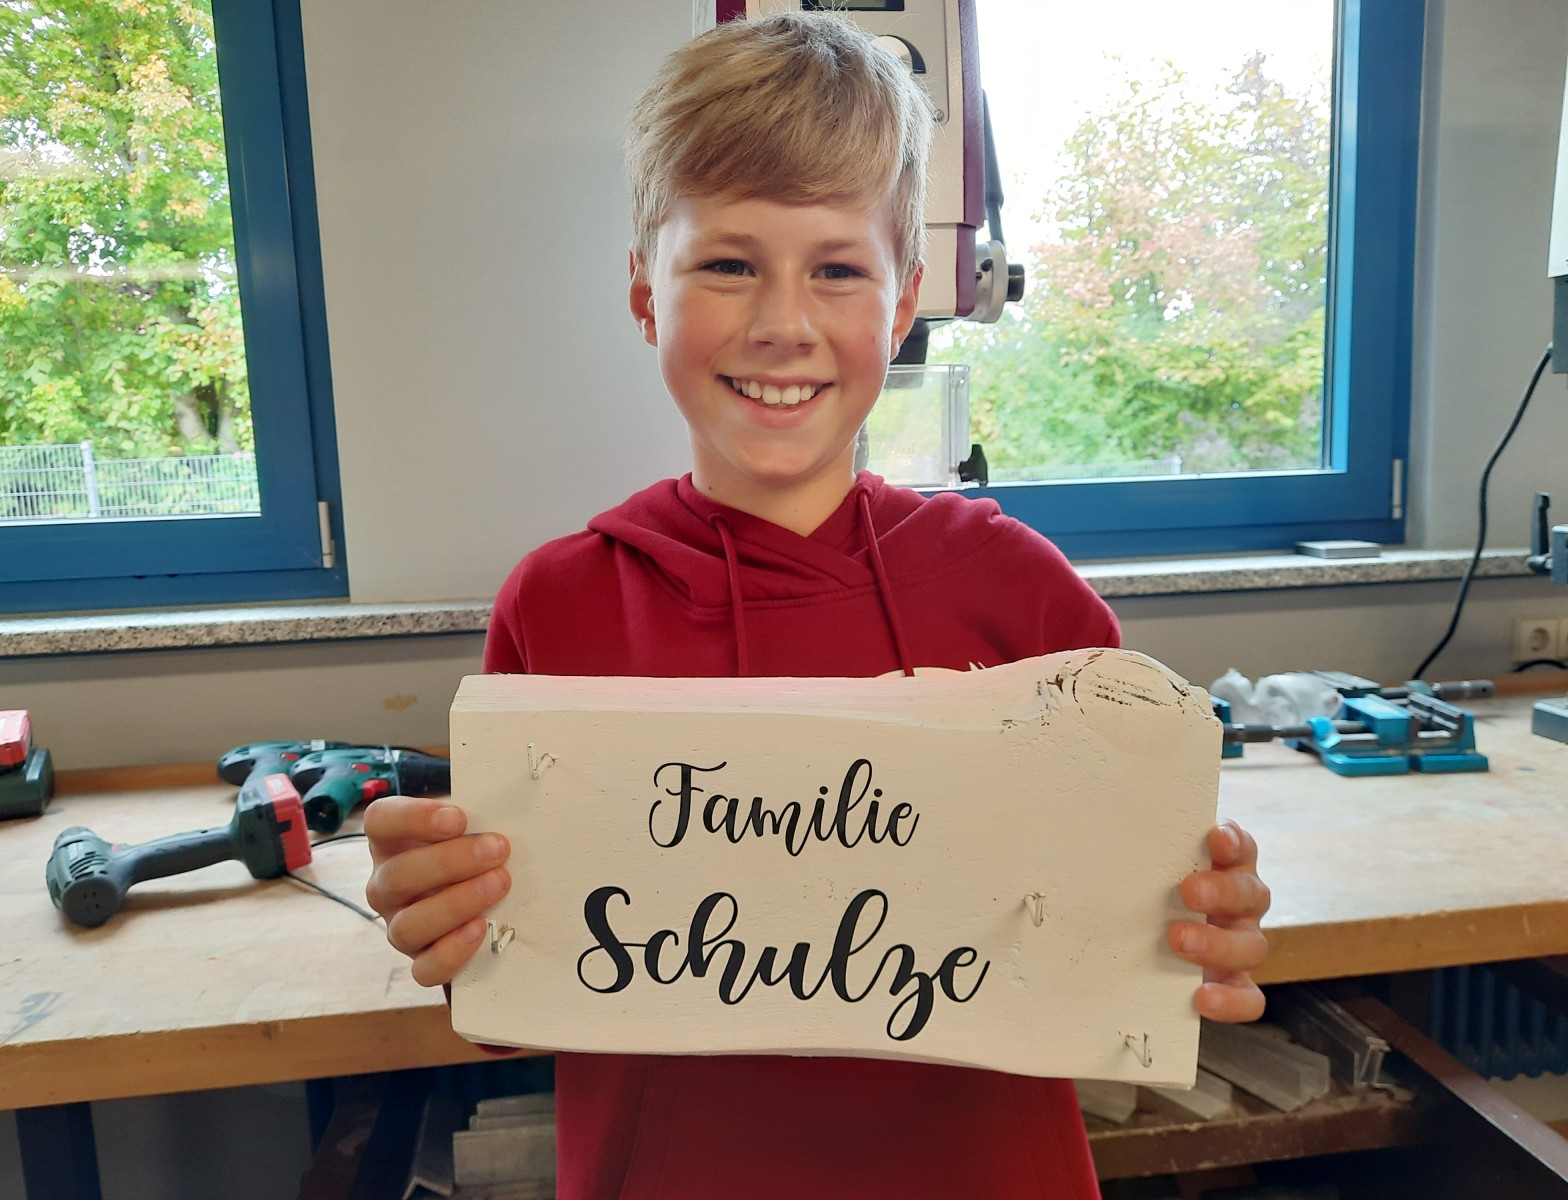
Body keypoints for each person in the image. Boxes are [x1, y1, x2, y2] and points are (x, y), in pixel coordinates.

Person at [365, 13, 1270, 1199]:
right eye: (727, 265)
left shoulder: (1024, 597)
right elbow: (521, 988)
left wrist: (1200, 930)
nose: (782, 323)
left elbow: (1126, 934)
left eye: (837, 269)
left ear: (900, 306)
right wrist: (455, 929)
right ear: (644, 294)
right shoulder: (561, 606)